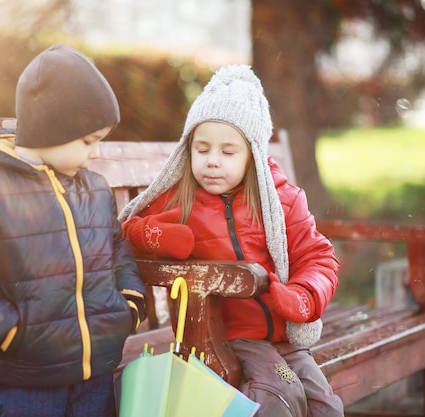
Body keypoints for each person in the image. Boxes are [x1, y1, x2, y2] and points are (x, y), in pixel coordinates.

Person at [0, 43, 147, 417]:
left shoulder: (93, 188)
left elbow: (115, 245)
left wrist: (130, 299)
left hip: (94, 375)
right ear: (52, 128)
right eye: (88, 141)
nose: (95, 154)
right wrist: (6, 331)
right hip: (26, 381)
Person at [119, 64, 344, 416]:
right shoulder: (180, 200)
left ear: (252, 154)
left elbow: (318, 256)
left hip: (285, 338)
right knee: (276, 394)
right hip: (225, 336)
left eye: (227, 151)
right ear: (188, 148)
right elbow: (126, 232)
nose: (211, 162)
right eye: (202, 148)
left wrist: (303, 296)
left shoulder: (282, 200)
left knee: (325, 406)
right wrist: (160, 236)